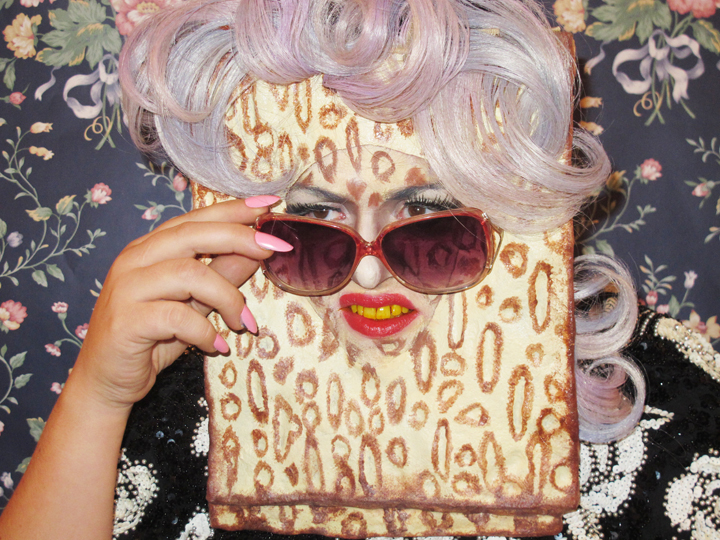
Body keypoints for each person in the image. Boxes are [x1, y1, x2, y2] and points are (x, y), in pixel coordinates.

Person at [2, 0, 717, 539]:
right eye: (311, 230)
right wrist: (97, 399)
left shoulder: (665, 406)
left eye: (433, 226)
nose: (369, 279)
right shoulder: (185, 394)